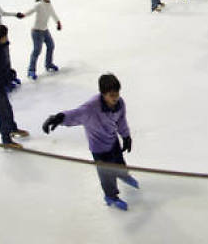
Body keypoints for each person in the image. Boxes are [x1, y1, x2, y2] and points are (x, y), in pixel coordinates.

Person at [42, 74, 137, 211]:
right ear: (103, 94)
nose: (115, 98)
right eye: (111, 95)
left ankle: (123, 175)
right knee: (106, 175)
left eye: (117, 94)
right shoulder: (91, 108)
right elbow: (74, 115)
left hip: (112, 141)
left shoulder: (120, 104)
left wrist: (126, 137)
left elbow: (121, 121)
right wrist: (57, 118)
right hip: (98, 148)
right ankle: (111, 196)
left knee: (119, 161)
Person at [0, 24, 29, 148]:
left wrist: (9, 73)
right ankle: (6, 140)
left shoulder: (1, 46)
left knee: (7, 108)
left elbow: (3, 66)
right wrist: (9, 77)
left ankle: (12, 129)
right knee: (2, 112)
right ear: (3, 36)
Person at [22, 0, 61, 80]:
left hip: (45, 30)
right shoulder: (39, 4)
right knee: (37, 51)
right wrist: (23, 15)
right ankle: (31, 70)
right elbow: (30, 11)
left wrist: (58, 22)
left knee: (51, 46)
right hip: (37, 32)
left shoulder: (49, 4)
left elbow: (53, 13)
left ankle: (48, 64)